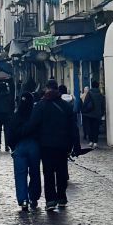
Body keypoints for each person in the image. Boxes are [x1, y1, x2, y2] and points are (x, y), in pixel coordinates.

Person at [34, 81, 81, 211]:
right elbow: (73, 127)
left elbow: (34, 124)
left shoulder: (41, 105)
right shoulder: (66, 106)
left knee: (48, 173)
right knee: (61, 171)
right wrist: (75, 145)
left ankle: (50, 200)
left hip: (46, 145)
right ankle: (61, 197)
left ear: (46, 89)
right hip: (62, 144)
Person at [7, 80, 43, 211]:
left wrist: (13, 147)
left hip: (19, 146)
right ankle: (34, 197)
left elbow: (9, 134)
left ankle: (23, 200)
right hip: (34, 145)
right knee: (35, 172)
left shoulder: (15, 116)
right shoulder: (35, 115)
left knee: (20, 174)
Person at [81, 82, 106, 146]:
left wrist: (83, 110)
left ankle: (91, 141)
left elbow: (86, 102)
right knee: (96, 128)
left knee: (90, 128)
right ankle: (95, 142)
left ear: (92, 86)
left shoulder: (89, 93)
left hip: (89, 114)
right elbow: (102, 105)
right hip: (97, 114)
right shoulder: (100, 94)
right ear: (98, 86)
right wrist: (102, 113)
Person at [0, 80, 15, 152]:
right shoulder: (9, 96)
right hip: (7, 115)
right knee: (7, 130)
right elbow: (12, 105)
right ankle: (7, 145)